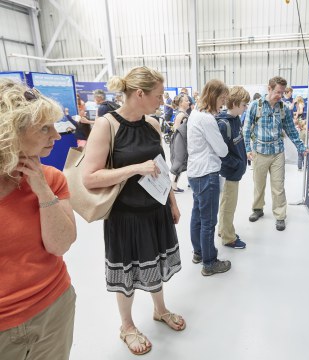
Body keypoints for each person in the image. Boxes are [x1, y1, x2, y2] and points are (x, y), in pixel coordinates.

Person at [82, 66, 184, 355]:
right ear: (139, 93)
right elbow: (89, 177)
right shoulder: (107, 125)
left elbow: (160, 168)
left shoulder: (151, 124)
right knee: (127, 272)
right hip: (125, 216)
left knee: (155, 265)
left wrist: (172, 202)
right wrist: (135, 168)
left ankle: (159, 310)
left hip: (156, 210)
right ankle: (126, 325)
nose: (162, 101)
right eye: (159, 95)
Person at [0, 79, 77, 359]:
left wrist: (42, 189)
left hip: (53, 308)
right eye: (44, 128)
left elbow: (60, 245)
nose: (56, 136)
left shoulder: (53, 178)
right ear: (9, 133)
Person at [243, 76, 307, 231]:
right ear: (269, 88)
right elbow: (246, 128)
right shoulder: (255, 106)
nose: (281, 95)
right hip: (260, 152)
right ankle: (257, 209)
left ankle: (280, 216)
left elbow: (291, 130)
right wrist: (247, 149)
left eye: (283, 92)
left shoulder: (283, 108)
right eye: (278, 92)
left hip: (278, 153)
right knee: (259, 184)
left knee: (278, 186)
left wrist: (301, 146)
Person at [187, 79, 231, 276]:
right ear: (214, 96)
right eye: (222, 98)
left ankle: (198, 252)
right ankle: (210, 262)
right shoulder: (207, 119)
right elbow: (221, 150)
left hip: (195, 173)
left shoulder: (195, 114)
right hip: (207, 173)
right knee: (208, 221)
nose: (223, 103)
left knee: (197, 215)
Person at [215, 86, 250, 250]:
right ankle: (229, 238)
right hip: (229, 173)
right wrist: (237, 164)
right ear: (235, 104)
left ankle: (223, 229)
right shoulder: (223, 125)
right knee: (229, 206)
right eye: (244, 105)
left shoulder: (236, 120)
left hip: (235, 172)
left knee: (226, 203)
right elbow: (221, 153)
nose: (246, 108)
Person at [170, 93, 192, 193]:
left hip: (182, 141)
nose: (189, 102)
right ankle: (173, 186)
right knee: (179, 162)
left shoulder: (182, 114)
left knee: (181, 162)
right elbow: (176, 130)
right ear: (181, 103)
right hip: (181, 142)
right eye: (186, 100)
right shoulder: (181, 115)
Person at [293, 96, 307, 170]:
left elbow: (300, 111)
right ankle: (303, 165)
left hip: (301, 122)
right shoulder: (300, 104)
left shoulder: (300, 104)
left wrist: (297, 115)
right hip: (301, 123)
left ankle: (301, 166)